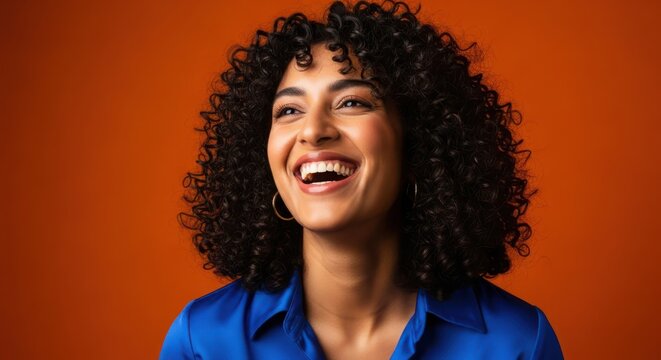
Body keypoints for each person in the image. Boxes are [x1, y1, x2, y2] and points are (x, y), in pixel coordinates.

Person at [160, 1, 563, 359]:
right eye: (288, 110)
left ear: (417, 143)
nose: (313, 130)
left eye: (351, 102)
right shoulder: (203, 342)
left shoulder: (518, 342)